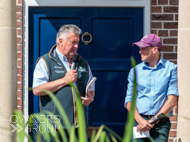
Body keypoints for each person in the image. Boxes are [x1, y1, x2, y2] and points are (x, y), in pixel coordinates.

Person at [32, 24, 95, 130]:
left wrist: (90, 98)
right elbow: (37, 90)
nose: (76, 46)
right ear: (60, 41)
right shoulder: (45, 61)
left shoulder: (83, 63)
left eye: (78, 43)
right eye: (73, 42)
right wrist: (64, 80)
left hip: (79, 127)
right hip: (53, 128)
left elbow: (91, 89)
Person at [124, 33, 179, 142]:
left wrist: (152, 121)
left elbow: (172, 101)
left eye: (143, 48)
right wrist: (141, 121)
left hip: (160, 124)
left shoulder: (171, 69)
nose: (140, 51)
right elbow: (129, 100)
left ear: (154, 49)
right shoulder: (135, 71)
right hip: (139, 122)